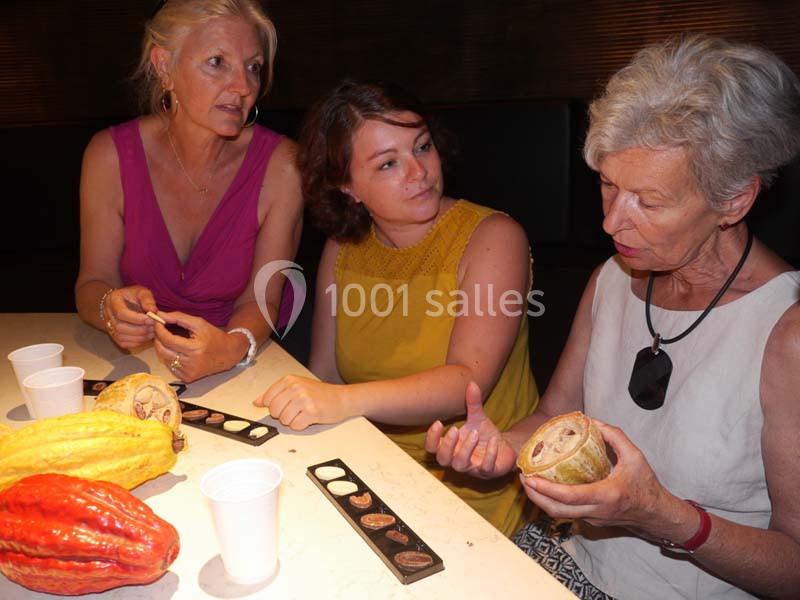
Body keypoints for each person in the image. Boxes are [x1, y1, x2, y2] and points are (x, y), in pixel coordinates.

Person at [425, 35, 800, 599]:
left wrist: (661, 515)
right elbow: (554, 414)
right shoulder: (612, 278)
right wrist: (501, 447)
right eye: (607, 185)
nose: (611, 222)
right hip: (567, 559)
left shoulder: (786, 330)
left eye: (648, 202)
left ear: (734, 200)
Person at [254, 80, 539, 536]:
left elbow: (466, 382)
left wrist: (342, 402)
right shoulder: (343, 248)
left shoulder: (493, 236)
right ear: (347, 185)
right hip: (373, 475)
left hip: (479, 490)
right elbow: (327, 375)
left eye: (422, 147)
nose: (419, 171)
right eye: (389, 163)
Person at [75, 0, 302, 382]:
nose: (244, 87)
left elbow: (262, 300)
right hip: (141, 365)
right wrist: (109, 309)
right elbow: (92, 283)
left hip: (249, 363)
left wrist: (230, 348)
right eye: (217, 62)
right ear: (164, 66)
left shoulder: (283, 166)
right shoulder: (108, 156)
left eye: (253, 67)